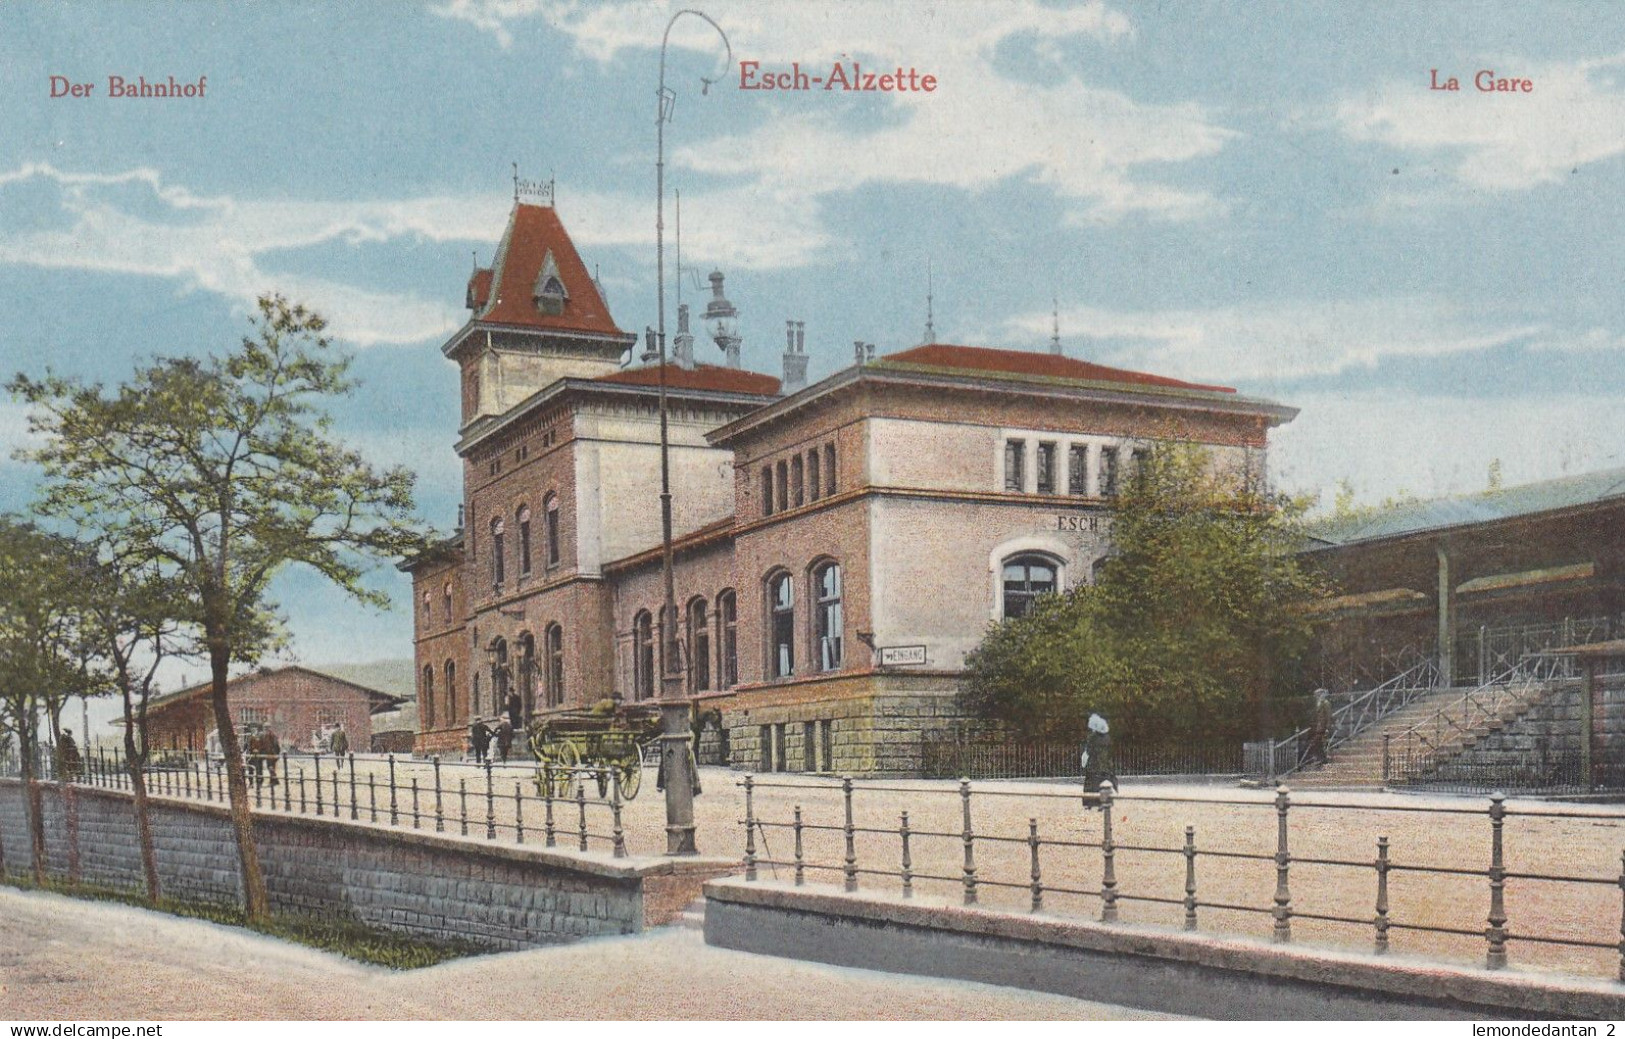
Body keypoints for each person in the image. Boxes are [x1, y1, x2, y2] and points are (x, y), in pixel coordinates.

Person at [1082, 713, 1114, 795]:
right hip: (1105, 764)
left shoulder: (1093, 737)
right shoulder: (1107, 737)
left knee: (1092, 781)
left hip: (1094, 764)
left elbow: (1088, 751)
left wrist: (1084, 762)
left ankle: (1090, 801)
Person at [246, 725, 281, 790]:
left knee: (270, 766)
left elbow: (276, 746)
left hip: (271, 753)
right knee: (265, 766)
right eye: (265, 728)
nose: (266, 730)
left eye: (267, 728)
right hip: (265, 753)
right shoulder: (262, 736)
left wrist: (276, 754)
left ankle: (273, 780)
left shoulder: (271, 736)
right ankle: (266, 780)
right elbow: (261, 745)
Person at [1304, 688, 1331, 769]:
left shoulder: (1325, 703)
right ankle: (1321, 759)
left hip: (1322, 727)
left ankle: (1322, 759)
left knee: (1317, 742)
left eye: (1317, 694)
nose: (1315, 696)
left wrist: (1327, 727)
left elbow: (1328, 716)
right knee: (1317, 743)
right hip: (1317, 727)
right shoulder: (1318, 703)